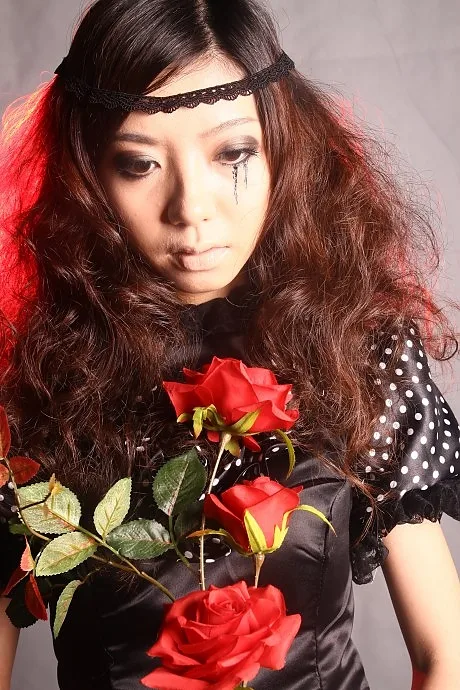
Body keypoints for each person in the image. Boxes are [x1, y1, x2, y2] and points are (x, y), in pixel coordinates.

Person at [1, 0, 460, 688]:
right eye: (139, 164)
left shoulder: (358, 350)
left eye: (232, 153)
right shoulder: (30, 380)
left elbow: (445, 652)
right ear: (88, 176)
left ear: (281, 150)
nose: (192, 208)